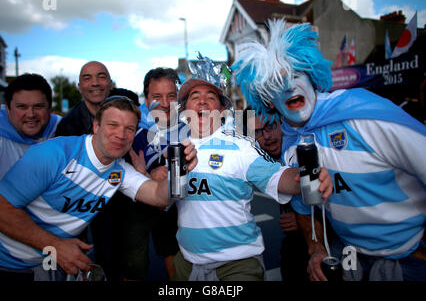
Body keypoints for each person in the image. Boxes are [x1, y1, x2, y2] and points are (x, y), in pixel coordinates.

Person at [233, 18, 426, 281]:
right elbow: (304, 208)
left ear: (312, 77)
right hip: (349, 256)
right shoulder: (291, 142)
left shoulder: (364, 115)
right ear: (268, 101)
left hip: (410, 257)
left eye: (295, 75)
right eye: (275, 85)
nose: (289, 87)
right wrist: (316, 248)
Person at [0, 97, 197, 281]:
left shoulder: (118, 169)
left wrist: (180, 173)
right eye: (113, 125)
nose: (121, 134)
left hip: (43, 264)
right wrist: (56, 245)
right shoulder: (53, 154)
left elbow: (159, 197)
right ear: (96, 126)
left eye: (129, 128)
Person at [171, 53, 333, 281]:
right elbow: (161, 197)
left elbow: (278, 177)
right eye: (194, 96)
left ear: (221, 109)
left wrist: (306, 176)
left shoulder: (240, 146)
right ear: (184, 109)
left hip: (237, 265)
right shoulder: (176, 148)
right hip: (187, 264)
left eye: (211, 97)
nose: (202, 101)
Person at [54, 61, 143, 281]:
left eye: (101, 77)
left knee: (124, 264)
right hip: (81, 209)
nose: (95, 83)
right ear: (78, 86)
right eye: (87, 78)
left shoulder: (128, 114)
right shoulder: (68, 125)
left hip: (122, 204)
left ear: (110, 83)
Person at [122, 67, 185, 280]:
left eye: (171, 96)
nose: (165, 104)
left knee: (176, 262)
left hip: (175, 206)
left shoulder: (191, 127)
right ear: (147, 99)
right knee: (134, 265)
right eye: (157, 97)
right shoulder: (131, 129)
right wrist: (145, 175)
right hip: (137, 207)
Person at [0, 73, 61, 217]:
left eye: (38, 106)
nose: (31, 114)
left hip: (45, 234)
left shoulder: (62, 130)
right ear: (7, 108)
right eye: (21, 107)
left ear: (49, 108)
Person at [242, 107, 310, 281]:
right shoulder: (261, 160)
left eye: (270, 127)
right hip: (294, 243)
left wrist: (304, 219)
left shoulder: (304, 148)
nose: (266, 136)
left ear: (282, 123)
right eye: (257, 132)